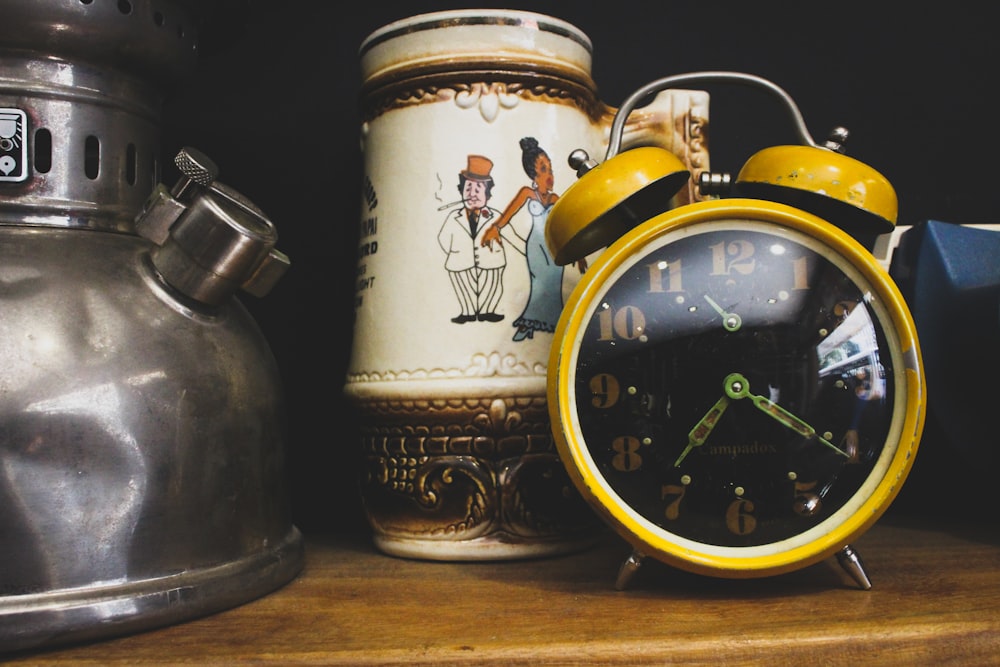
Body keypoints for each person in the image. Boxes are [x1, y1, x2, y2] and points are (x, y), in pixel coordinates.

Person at [480, 137, 586, 341]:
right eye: (544, 169)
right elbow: (508, 214)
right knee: (538, 285)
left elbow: (568, 227)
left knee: (554, 286)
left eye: (551, 170)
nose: (550, 175)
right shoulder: (527, 193)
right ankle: (529, 325)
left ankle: (557, 329)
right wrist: (495, 228)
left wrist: (578, 254)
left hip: (556, 251)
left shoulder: (556, 199)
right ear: (533, 174)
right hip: (536, 248)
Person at [437, 155, 506, 323]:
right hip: (459, 260)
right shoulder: (454, 216)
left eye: (478, 189)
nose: (472, 194)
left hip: (491, 259)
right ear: (461, 191)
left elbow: (508, 235)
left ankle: (487, 310)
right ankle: (467, 312)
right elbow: (443, 238)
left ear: (488, 195)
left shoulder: (495, 216)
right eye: (468, 189)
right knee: (463, 288)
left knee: (491, 285)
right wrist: (456, 250)